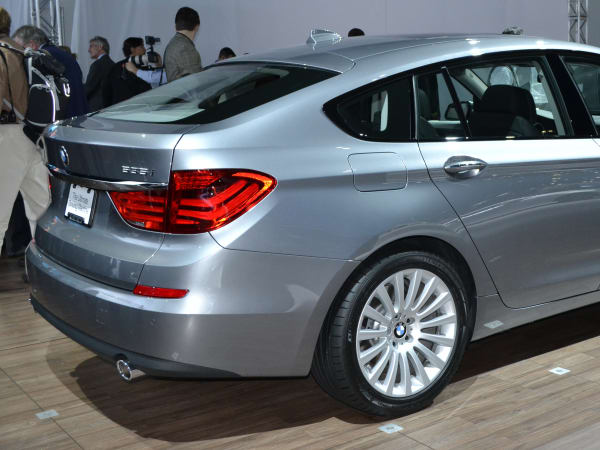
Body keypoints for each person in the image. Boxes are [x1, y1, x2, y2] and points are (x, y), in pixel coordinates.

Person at [0, 8, 50, 256]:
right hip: (33, 134)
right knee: (41, 210)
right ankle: (46, 266)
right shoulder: (22, 52)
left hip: (6, 137)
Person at [12, 25, 88, 117]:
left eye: (20, 48)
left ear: (32, 45)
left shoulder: (44, 58)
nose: (18, 53)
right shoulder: (56, 53)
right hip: (76, 110)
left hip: (66, 114)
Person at [102, 37, 151, 107]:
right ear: (132, 49)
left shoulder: (115, 66)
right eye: (142, 46)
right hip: (137, 107)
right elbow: (146, 90)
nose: (145, 49)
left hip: (118, 107)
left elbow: (106, 90)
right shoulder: (141, 67)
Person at [164, 6, 202, 82]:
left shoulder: (173, 43)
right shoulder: (185, 48)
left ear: (175, 26)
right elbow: (196, 82)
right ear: (197, 27)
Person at [85, 36, 114, 111]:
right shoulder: (112, 64)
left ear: (100, 47)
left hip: (96, 107)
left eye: (91, 46)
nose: (89, 50)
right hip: (109, 105)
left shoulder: (97, 65)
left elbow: (89, 87)